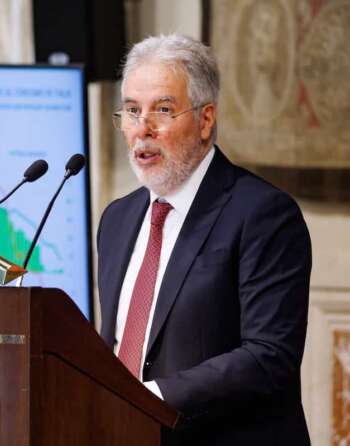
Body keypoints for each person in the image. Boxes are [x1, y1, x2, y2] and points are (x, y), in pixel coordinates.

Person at [97, 34, 311, 445]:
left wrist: (150, 398)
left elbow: (269, 355)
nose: (143, 129)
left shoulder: (263, 215)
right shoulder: (117, 219)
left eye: (162, 110)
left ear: (205, 119)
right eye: (131, 110)